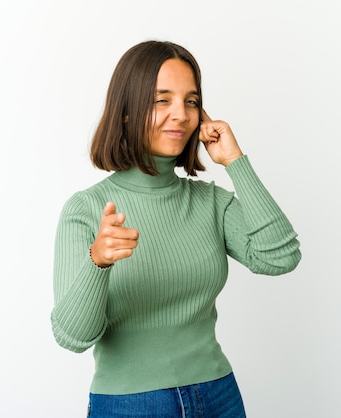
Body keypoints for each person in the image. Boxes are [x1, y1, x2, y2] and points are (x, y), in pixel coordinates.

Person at [51, 40, 301, 418]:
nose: (181, 115)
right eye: (161, 100)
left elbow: (281, 256)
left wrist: (234, 161)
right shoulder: (86, 210)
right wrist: (97, 262)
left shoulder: (210, 203)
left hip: (219, 396)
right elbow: (72, 337)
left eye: (191, 101)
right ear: (127, 113)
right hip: (131, 404)